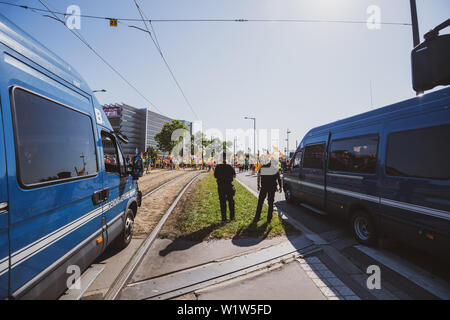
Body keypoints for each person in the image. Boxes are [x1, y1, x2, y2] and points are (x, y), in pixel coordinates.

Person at [254, 159, 282, 223]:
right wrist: (280, 187)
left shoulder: (263, 167)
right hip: (272, 188)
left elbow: (258, 176)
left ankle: (257, 217)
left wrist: (258, 185)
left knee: (260, 201)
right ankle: (269, 219)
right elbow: (279, 179)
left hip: (264, 187)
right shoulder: (275, 168)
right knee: (271, 203)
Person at [214, 154, 236, 222]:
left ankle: (224, 218)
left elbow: (215, 176)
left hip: (221, 186)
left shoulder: (218, 167)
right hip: (229, 186)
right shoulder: (230, 166)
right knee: (231, 201)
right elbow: (234, 175)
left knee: (222, 202)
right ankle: (232, 217)